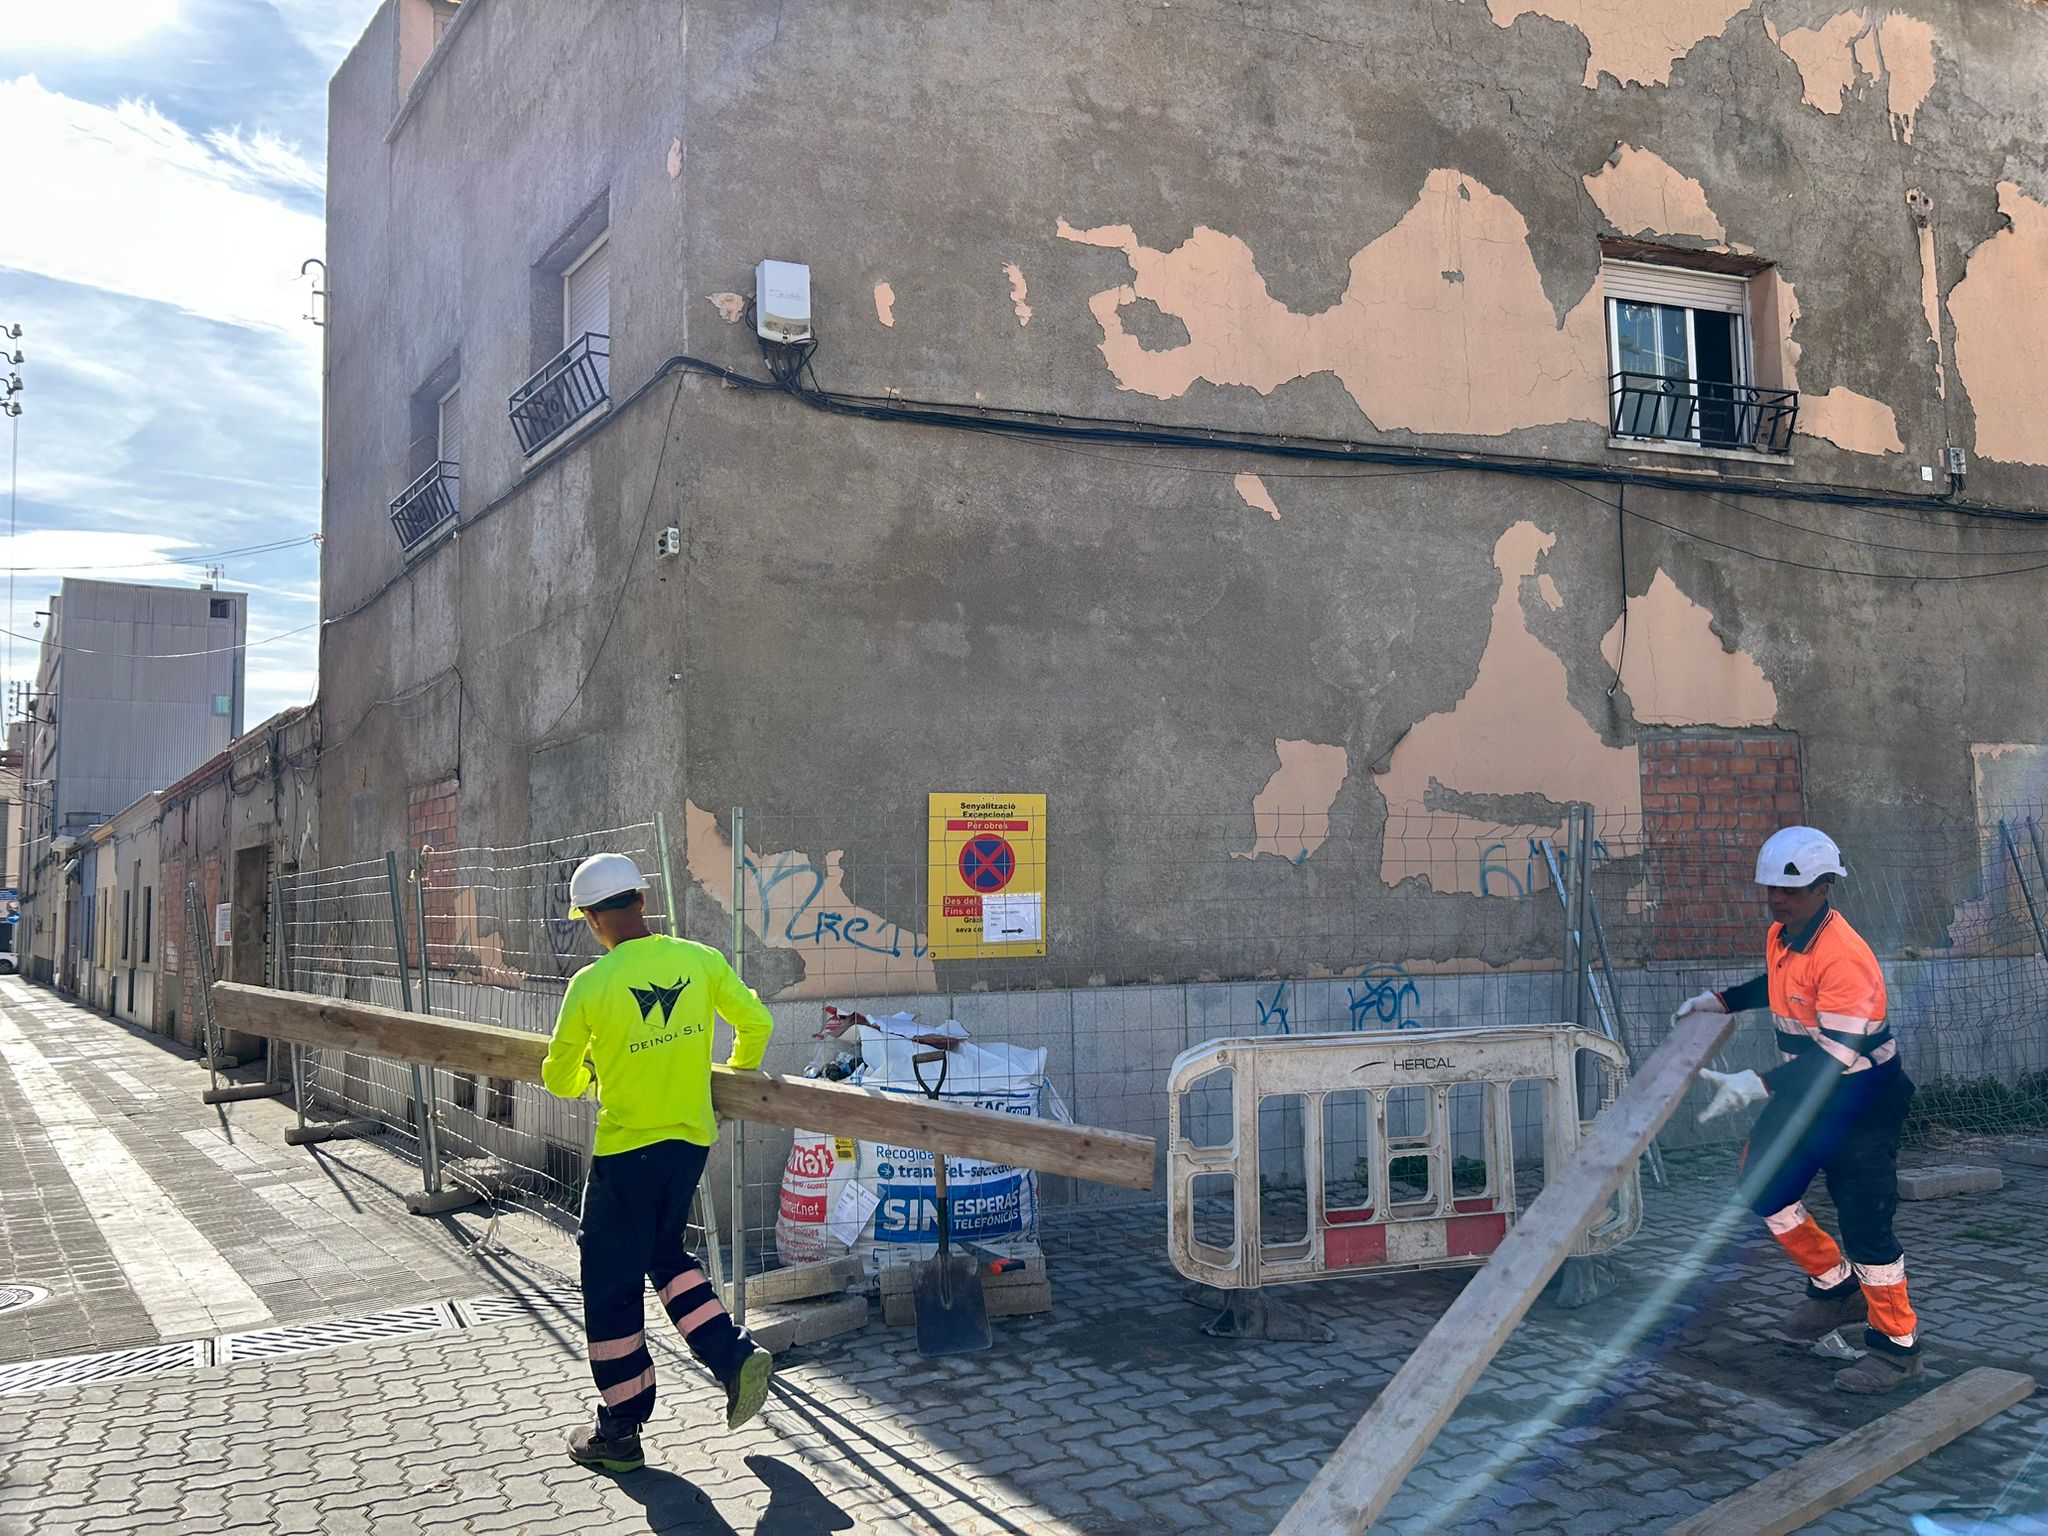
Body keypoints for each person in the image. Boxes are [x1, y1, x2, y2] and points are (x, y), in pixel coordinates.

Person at [542, 852, 776, 1471]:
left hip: (626, 1152)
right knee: (665, 1256)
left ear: (591, 919)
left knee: (611, 1279)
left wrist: (594, 1073)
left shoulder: (589, 986)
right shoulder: (700, 961)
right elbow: (756, 1023)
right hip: (690, 1142)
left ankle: (620, 1429)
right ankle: (733, 1359)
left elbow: (558, 1077)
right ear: (643, 903)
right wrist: (735, 1077)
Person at [1674, 826, 1921, 1394]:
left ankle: (1897, 1347)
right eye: (1772, 891)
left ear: (1825, 887)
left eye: (1793, 891)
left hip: (1861, 1101)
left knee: (1867, 1227)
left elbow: (1835, 1058)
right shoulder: (1784, 935)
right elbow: (1781, 984)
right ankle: (1836, 1291)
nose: (1779, 900)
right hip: (1807, 1095)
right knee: (1763, 1186)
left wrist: (1757, 1083)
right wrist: (1722, 1000)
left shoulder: (1847, 958)